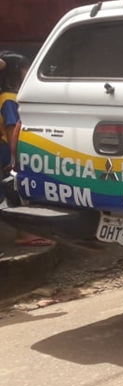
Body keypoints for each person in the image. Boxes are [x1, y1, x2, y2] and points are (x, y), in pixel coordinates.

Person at [0, 51, 54, 247]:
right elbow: (11, 128)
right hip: (8, 151)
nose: (29, 72)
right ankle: (25, 233)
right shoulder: (10, 98)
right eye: (25, 69)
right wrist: (13, 160)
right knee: (17, 193)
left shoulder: (8, 96)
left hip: (7, 150)